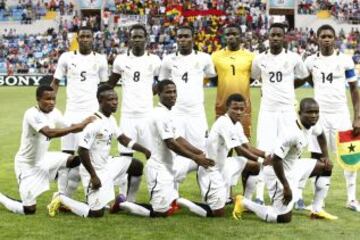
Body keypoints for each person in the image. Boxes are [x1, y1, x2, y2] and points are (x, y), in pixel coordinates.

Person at [47, 85, 151, 218]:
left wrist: (145, 150)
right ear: (101, 101)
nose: (115, 102)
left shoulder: (111, 119)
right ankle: (61, 198)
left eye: (116, 99)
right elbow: (82, 150)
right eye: (110, 99)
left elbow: (123, 139)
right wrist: (93, 176)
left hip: (107, 165)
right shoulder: (94, 122)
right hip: (93, 171)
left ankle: (129, 201)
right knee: (96, 213)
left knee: (136, 166)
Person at [233, 98, 338, 223]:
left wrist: (325, 156)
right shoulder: (292, 133)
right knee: (282, 218)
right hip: (278, 172)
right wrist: (286, 186)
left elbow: (321, 135)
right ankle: (243, 202)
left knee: (326, 167)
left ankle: (316, 209)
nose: (314, 115)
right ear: (300, 113)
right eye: (309, 112)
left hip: (294, 166)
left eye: (316, 112)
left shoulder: (311, 125)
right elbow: (276, 160)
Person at [0, 85, 93, 215]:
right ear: (38, 99)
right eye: (47, 99)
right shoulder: (32, 114)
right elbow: (49, 133)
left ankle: (62, 197)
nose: (51, 102)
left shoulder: (55, 113)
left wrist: (87, 123)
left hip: (44, 158)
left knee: (74, 161)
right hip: (27, 165)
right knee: (28, 210)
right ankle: (1, 198)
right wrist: (77, 127)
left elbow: (71, 127)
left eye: (53, 99)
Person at [251, 23, 309, 204]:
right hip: (267, 111)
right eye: (272, 35)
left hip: (287, 111)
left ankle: (295, 192)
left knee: (293, 151)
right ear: (268, 37)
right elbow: (255, 77)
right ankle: (260, 195)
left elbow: (304, 76)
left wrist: (289, 89)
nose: (275, 38)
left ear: (284, 38)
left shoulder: (294, 58)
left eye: (278, 35)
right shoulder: (259, 59)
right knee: (265, 151)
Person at [303, 24, 360, 212]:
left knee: (349, 155)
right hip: (318, 117)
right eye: (323, 36)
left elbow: (354, 89)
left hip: (341, 115)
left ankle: (351, 199)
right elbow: (310, 80)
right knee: (318, 156)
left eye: (329, 36)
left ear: (334, 39)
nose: (326, 39)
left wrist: (357, 117)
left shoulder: (345, 60)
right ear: (317, 39)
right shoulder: (310, 61)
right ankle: (319, 201)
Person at [51, 26, 109, 198]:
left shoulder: (100, 59)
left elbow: (104, 87)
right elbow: (55, 82)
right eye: (81, 36)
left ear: (93, 38)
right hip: (71, 113)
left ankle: (92, 193)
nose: (84, 39)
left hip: (91, 115)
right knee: (66, 156)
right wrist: (51, 105)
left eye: (88, 36)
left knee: (92, 155)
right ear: (77, 38)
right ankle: (61, 195)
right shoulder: (66, 57)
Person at [107, 24, 161, 202]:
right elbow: (110, 85)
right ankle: (125, 197)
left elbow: (161, 85)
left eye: (140, 36)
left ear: (146, 39)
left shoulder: (154, 60)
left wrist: (146, 95)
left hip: (147, 117)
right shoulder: (121, 60)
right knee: (125, 158)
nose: (137, 39)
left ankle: (156, 194)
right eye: (134, 37)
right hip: (127, 117)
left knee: (153, 157)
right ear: (129, 39)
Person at [159, 25, 216, 184]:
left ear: (193, 38)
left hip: (196, 113)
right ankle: (172, 194)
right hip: (176, 113)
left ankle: (206, 190)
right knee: (174, 151)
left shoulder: (204, 58)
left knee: (202, 152)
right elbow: (163, 82)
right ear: (176, 38)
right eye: (180, 36)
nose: (183, 39)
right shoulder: (168, 60)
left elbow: (211, 74)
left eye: (186, 36)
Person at [199, 93, 270, 215]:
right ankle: (182, 202)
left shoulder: (236, 124)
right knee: (217, 213)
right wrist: (262, 161)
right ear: (227, 108)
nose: (239, 112)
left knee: (254, 166)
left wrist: (268, 155)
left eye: (242, 109)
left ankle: (245, 202)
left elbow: (247, 146)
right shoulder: (224, 123)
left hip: (224, 165)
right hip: (211, 171)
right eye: (235, 108)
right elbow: (240, 150)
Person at [211, 24, 255, 138]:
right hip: (222, 107)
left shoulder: (250, 56)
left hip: (243, 107)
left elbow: (253, 77)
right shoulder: (215, 56)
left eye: (234, 34)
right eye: (228, 34)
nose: (231, 37)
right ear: (224, 37)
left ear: (241, 36)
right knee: (222, 146)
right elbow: (213, 78)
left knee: (244, 143)